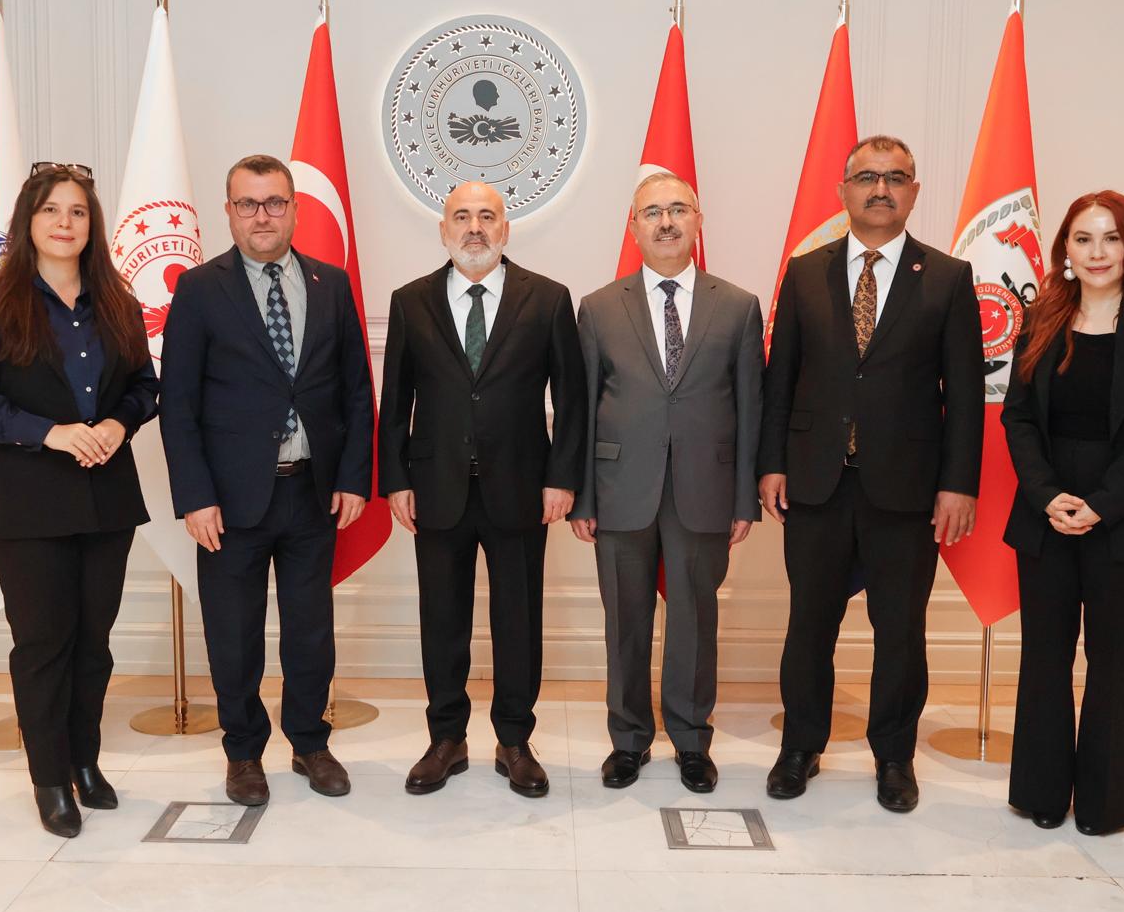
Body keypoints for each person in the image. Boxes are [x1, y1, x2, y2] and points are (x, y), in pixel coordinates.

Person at [759, 135, 983, 813]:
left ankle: (894, 757)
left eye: (896, 178)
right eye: (867, 177)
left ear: (914, 191)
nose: (881, 189)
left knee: (901, 630)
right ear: (843, 191)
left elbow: (966, 393)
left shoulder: (946, 277)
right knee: (809, 626)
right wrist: (770, 464)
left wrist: (959, 483)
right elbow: (781, 381)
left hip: (907, 488)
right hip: (816, 482)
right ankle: (801, 746)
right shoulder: (804, 272)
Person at [0, 163, 159, 838]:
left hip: (106, 499)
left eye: (77, 212)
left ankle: (86, 763)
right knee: (44, 644)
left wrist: (116, 425)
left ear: (91, 226)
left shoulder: (117, 302)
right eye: (51, 211)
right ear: (29, 222)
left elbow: (144, 388)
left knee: (93, 643)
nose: (65, 223)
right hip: (28, 503)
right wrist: (53, 433)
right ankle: (49, 781)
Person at [160, 154, 373, 806]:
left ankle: (310, 741)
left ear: (294, 209)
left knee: (310, 630)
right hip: (228, 502)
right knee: (234, 633)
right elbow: (179, 404)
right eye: (248, 203)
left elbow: (355, 391)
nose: (262, 215)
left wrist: (354, 477)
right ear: (229, 211)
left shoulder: (331, 284)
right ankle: (243, 753)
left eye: (275, 202)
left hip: (311, 492)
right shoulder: (199, 289)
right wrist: (194, 496)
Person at [1002, 190, 1124, 836]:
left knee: (1112, 662)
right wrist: (1047, 495)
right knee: (1044, 656)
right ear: (1065, 249)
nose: (1096, 252)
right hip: (1048, 510)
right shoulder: (1041, 317)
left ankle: (1103, 806)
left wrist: (1101, 504)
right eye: (1083, 239)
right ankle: (1040, 794)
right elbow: (1019, 417)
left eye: (1111, 238)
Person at [378, 182, 585, 798]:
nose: (474, 228)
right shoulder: (410, 301)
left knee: (518, 619)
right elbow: (395, 404)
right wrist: (395, 481)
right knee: (441, 618)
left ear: (506, 228)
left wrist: (562, 478)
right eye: (461, 217)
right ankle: (447, 738)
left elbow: (570, 402)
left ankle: (515, 739)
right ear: (443, 230)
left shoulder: (547, 299)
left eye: (487, 216)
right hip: (435, 487)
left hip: (521, 488)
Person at [569, 172, 764, 794]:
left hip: (706, 490)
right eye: (652, 212)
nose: (666, 222)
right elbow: (581, 407)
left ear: (697, 220)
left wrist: (744, 499)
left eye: (678, 209)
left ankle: (690, 740)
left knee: (695, 619)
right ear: (634, 226)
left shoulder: (737, 305)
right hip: (619, 487)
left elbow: (750, 408)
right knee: (624, 620)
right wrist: (583, 495)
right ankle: (628, 740)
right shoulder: (599, 307)